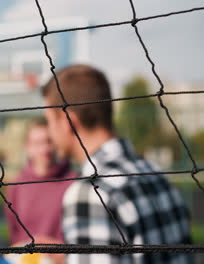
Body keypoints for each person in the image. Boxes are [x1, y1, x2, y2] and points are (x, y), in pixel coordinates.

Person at [42, 64, 191, 263]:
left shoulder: (90, 192)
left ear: (67, 121)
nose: (49, 134)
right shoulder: (154, 172)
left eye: (49, 121)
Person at [5, 118, 76, 245]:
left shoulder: (73, 182)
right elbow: (13, 233)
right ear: (28, 147)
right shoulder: (16, 186)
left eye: (49, 141)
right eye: (38, 143)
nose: (45, 148)